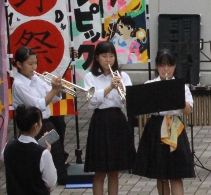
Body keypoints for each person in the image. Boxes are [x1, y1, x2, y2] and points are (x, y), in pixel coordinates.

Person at [132, 49, 196, 195]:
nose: (166, 69)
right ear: (156, 66)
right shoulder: (150, 84)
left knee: (176, 174)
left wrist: (176, 96)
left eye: (169, 65)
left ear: (175, 66)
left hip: (174, 127)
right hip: (155, 127)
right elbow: (141, 106)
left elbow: (188, 111)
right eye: (162, 65)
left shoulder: (182, 86)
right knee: (160, 175)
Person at [82, 41, 135, 195]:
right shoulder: (90, 77)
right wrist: (110, 87)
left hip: (117, 120)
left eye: (111, 56)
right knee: (100, 171)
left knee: (114, 171)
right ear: (97, 57)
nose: (108, 60)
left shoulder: (122, 76)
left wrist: (120, 88)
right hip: (100, 120)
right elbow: (92, 101)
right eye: (104, 56)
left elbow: (127, 101)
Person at [11, 46, 68, 184]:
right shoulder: (18, 84)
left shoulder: (36, 78)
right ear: (19, 64)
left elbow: (53, 98)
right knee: (37, 165)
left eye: (35, 63)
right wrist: (54, 90)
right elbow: (39, 105)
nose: (34, 67)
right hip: (33, 126)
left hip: (46, 123)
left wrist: (58, 89)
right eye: (30, 64)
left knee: (55, 164)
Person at [4, 105, 57, 195]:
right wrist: (46, 151)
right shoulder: (42, 153)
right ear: (36, 126)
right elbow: (51, 181)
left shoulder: (8, 147)